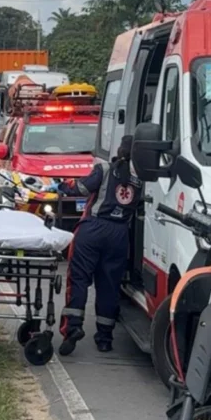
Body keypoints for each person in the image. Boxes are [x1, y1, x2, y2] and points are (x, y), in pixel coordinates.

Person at [50, 135, 142, 356]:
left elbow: (80, 189)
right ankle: (104, 338)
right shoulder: (140, 179)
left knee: (79, 279)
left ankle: (72, 328)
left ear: (119, 150)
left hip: (93, 229)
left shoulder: (105, 169)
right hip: (119, 234)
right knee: (109, 285)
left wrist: (61, 185)